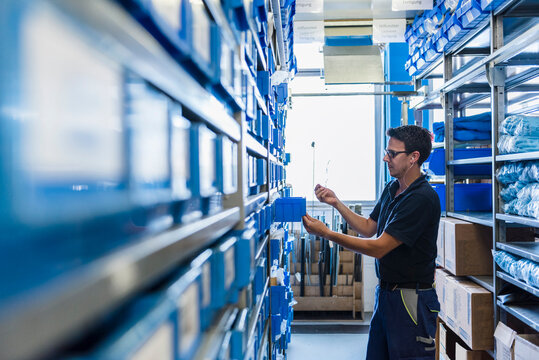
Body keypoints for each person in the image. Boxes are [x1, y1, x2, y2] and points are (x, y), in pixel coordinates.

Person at [302, 125, 441, 360]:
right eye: (386, 152)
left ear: (413, 157)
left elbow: (379, 247)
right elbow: (368, 228)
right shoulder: (393, 188)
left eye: (393, 153)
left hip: (410, 299)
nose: (386, 158)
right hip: (386, 294)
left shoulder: (422, 198)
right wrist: (336, 203)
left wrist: (327, 234)